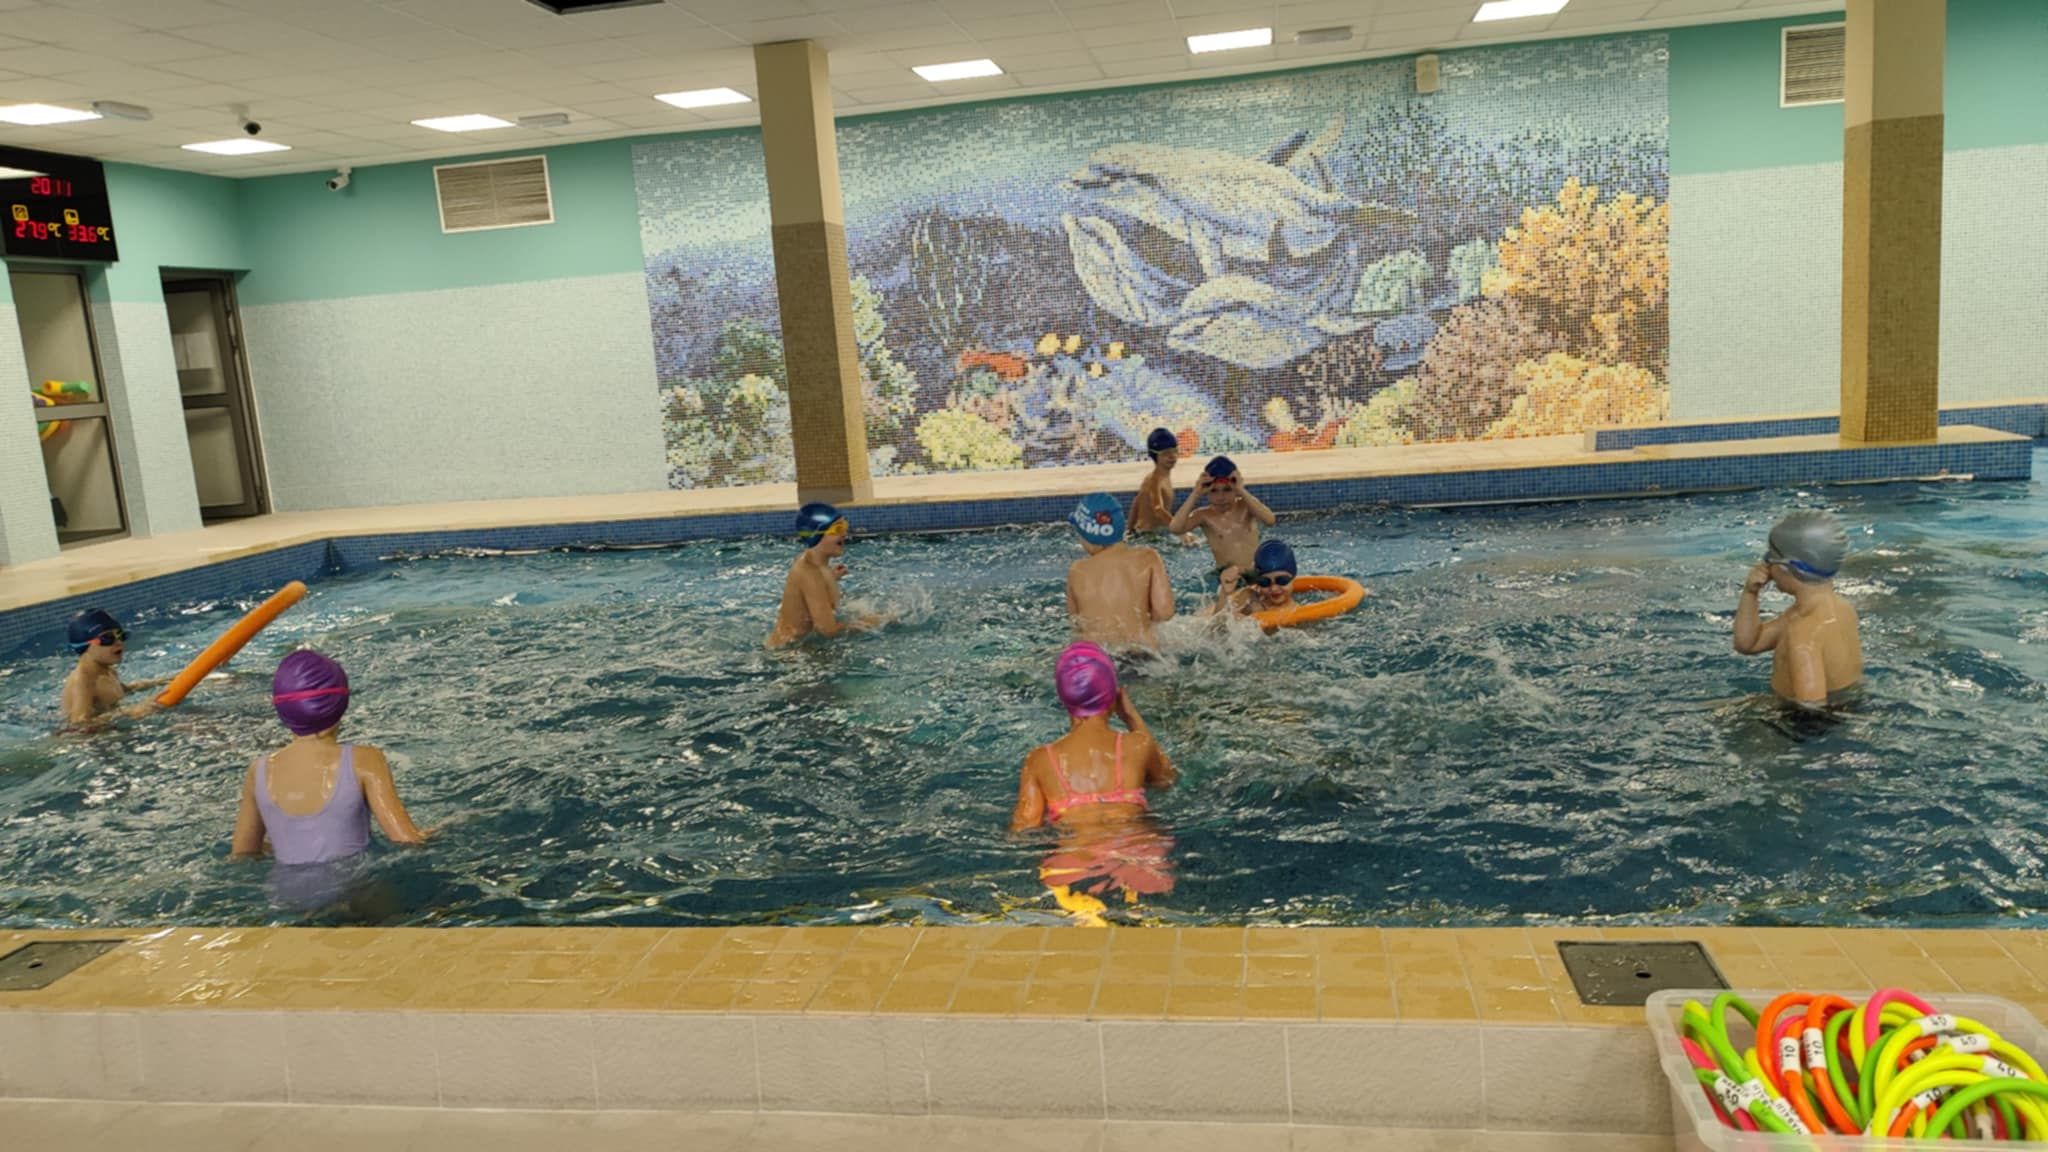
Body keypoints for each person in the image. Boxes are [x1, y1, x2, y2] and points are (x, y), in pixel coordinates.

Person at [1011, 642, 1177, 917]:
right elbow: (1166, 779)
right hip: (1137, 851)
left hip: (1073, 860)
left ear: (1063, 698)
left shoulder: (1040, 760)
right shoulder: (1137, 745)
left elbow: (1024, 828)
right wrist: (1132, 717)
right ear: (1113, 695)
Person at [231, 650, 430, 876]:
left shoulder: (259, 770)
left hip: (285, 891)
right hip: (355, 887)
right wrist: (445, 829)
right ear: (341, 704)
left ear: (280, 708)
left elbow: (243, 854)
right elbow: (407, 842)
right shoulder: (365, 760)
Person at [1734, 510, 1863, 706]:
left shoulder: (1803, 635)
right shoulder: (1842, 609)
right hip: (1846, 706)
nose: (1765, 568)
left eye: (1769, 559)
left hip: (1806, 717)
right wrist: (1750, 594)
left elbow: (1811, 709)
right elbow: (1748, 644)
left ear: (1786, 567)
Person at [767, 502, 890, 648]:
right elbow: (828, 630)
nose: (844, 534)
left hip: (800, 646)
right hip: (790, 652)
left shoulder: (812, 563)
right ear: (816, 536)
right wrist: (871, 621)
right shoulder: (810, 573)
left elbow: (807, 591)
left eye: (844, 526)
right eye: (837, 529)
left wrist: (830, 578)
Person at [1065, 492, 1174, 650]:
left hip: (1098, 656)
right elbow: (1164, 613)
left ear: (1086, 533)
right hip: (1142, 653)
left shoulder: (1077, 570)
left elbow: (1077, 626)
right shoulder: (1148, 558)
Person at [1169, 455, 1276, 585]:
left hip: (1253, 573)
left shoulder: (1247, 507)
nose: (1221, 497)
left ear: (1236, 489)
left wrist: (1241, 490)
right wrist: (1195, 493)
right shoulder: (1204, 515)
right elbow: (1175, 528)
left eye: (1227, 490)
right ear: (1206, 491)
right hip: (1225, 576)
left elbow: (1270, 520)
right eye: (1214, 491)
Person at [59, 609, 163, 724]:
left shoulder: (108, 670)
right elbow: (79, 723)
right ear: (84, 645)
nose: (118, 642)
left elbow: (125, 689)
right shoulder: (83, 681)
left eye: (120, 635)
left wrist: (161, 682)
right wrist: (130, 712)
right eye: (107, 638)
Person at [1209, 539, 1300, 619]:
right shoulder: (1249, 598)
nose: (1274, 588)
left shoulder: (1299, 611)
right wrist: (1225, 593)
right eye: (1265, 582)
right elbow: (1215, 624)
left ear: (1293, 577)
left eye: (1282, 580)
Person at [1130, 428, 1191, 544]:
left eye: (1174, 451)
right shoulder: (1154, 480)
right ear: (1154, 455)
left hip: (1155, 534)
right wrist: (1180, 531)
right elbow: (1158, 509)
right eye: (1166, 453)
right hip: (1147, 537)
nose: (1172, 456)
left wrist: (1128, 530)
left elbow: (1136, 502)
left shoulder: (1163, 476)